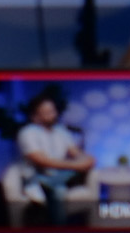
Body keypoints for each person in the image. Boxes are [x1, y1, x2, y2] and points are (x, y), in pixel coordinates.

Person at [13, 93, 95, 225]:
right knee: (58, 190)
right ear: (35, 117)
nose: (52, 115)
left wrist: (87, 159)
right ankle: (58, 229)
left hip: (60, 173)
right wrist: (76, 165)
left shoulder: (61, 131)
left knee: (64, 179)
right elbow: (41, 161)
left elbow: (75, 152)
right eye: (46, 112)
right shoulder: (27, 132)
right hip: (38, 175)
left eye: (53, 111)